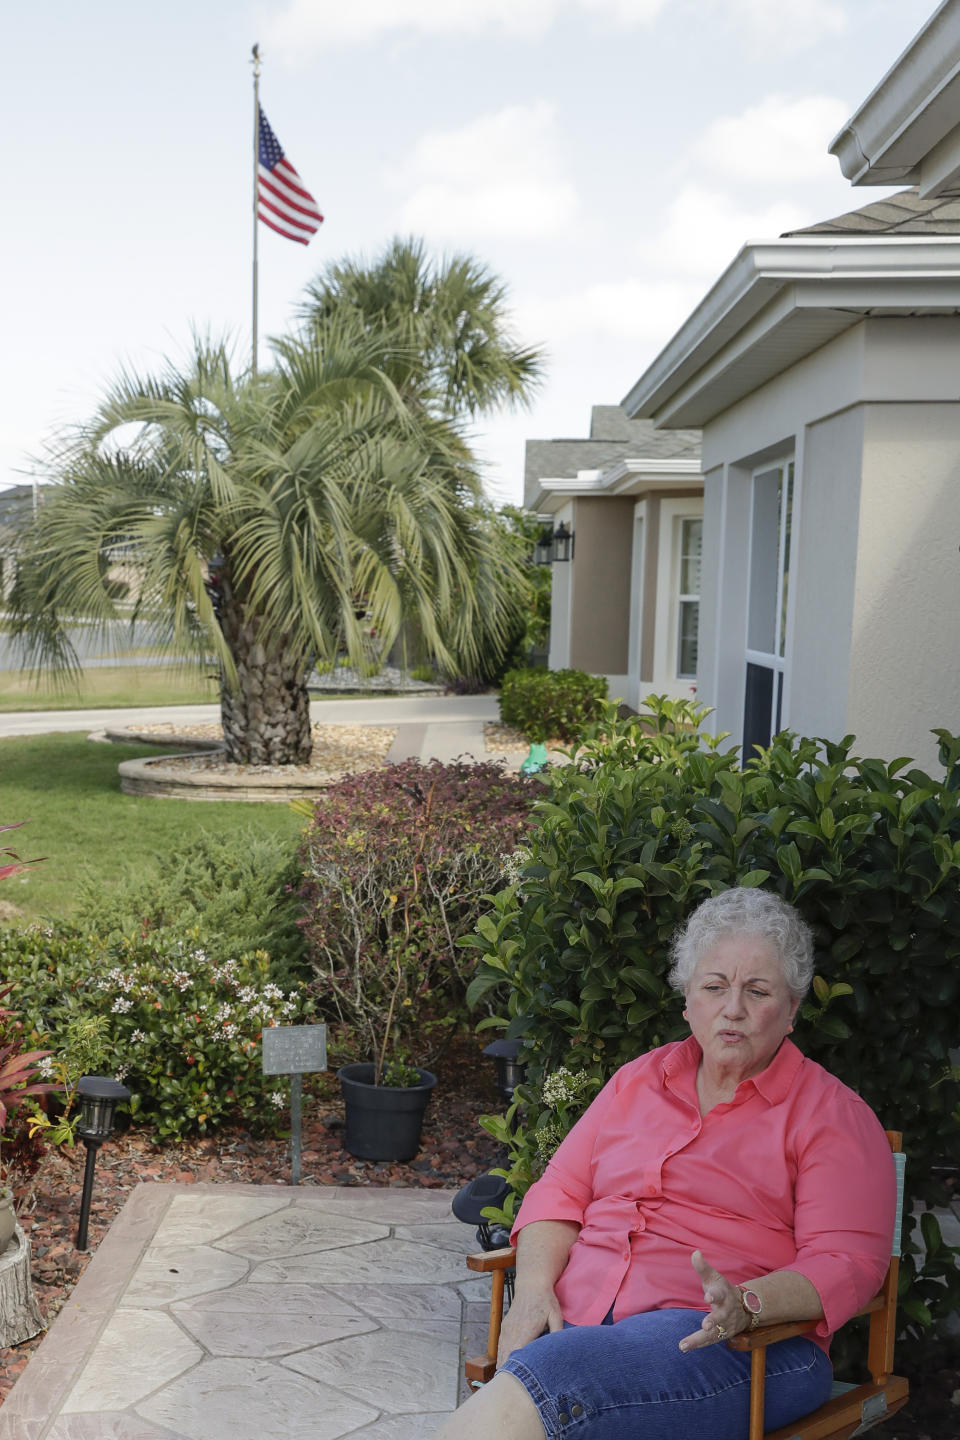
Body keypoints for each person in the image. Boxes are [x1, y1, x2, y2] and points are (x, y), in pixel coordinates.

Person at [436, 887, 896, 1440]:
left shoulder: (832, 1116)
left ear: (792, 1008)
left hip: (736, 1346)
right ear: (687, 1001)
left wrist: (749, 1303)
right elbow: (559, 1191)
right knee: (565, 1370)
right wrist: (533, 1288)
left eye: (758, 990)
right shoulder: (638, 1080)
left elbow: (847, 1260)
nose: (733, 1009)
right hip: (582, 1328)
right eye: (714, 987)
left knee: (558, 1379)